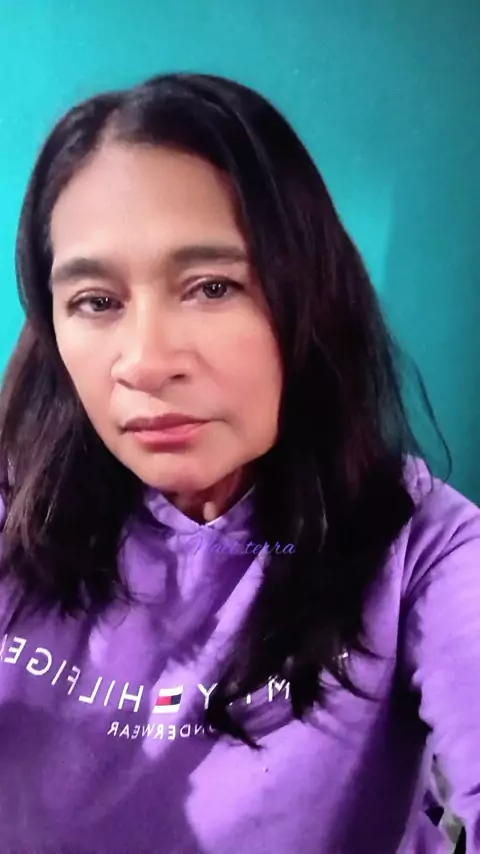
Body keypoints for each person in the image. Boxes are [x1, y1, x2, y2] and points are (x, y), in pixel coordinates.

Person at [0, 72, 477, 854]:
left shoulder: (423, 550)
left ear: (311, 297)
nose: (146, 362)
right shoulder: (15, 519)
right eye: (96, 301)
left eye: (213, 286)